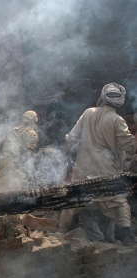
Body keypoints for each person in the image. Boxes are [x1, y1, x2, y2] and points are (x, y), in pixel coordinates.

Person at [59, 83, 136, 245]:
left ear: (102, 96)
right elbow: (130, 147)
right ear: (119, 101)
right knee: (119, 203)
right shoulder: (117, 120)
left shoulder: (88, 113)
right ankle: (127, 237)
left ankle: (59, 234)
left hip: (82, 171)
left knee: (72, 203)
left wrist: (62, 160)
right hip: (105, 172)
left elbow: (71, 138)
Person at [0, 111, 39, 193]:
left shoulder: (13, 130)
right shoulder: (32, 134)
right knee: (14, 191)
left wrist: (3, 154)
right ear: (34, 121)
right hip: (15, 163)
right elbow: (26, 152)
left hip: (2, 160)